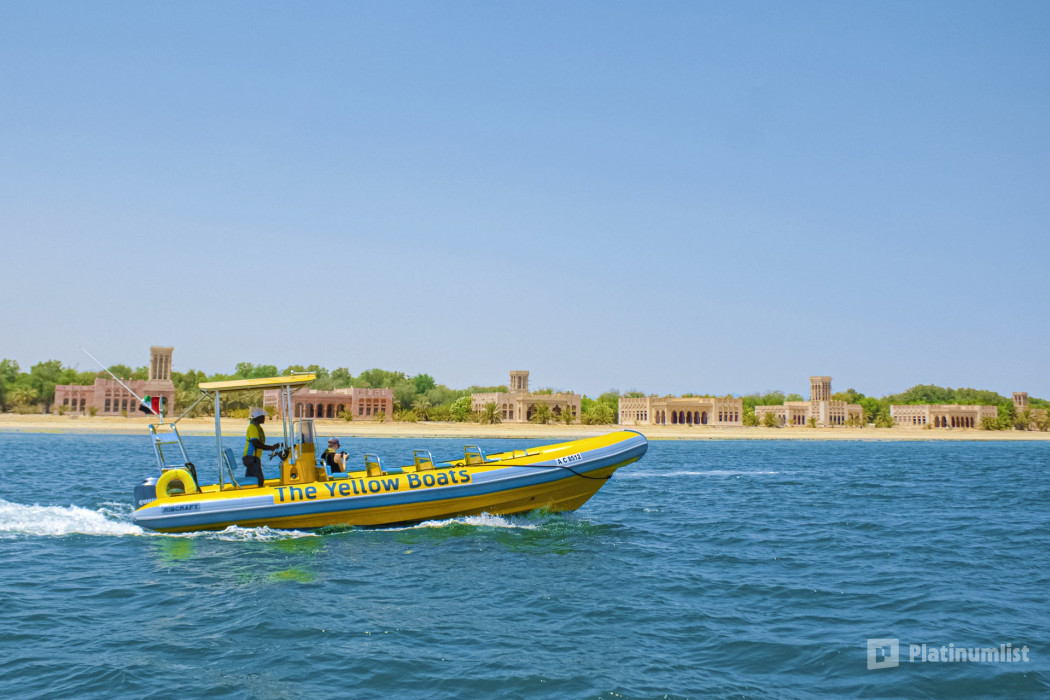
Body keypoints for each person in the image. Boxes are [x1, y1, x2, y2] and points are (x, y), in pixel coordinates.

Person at [243, 407, 279, 487]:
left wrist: (272, 448)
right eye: (262, 416)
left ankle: (248, 492)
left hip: (253, 458)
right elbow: (256, 444)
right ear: (257, 417)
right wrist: (271, 448)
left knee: (250, 479)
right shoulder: (252, 428)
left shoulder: (257, 427)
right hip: (251, 458)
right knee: (259, 480)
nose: (264, 418)